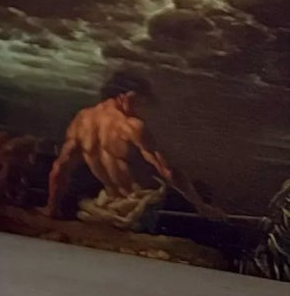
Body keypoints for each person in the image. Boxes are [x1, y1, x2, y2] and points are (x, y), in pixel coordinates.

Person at [44, 71, 224, 224]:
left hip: (106, 203)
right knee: (197, 192)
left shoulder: (82, 120)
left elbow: (61, 167)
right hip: (140, 208)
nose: (141, 107)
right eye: (140, 101)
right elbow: (168, 170)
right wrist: (201, 206)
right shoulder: (131, 126)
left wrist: (52, 207)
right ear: (128, 95)